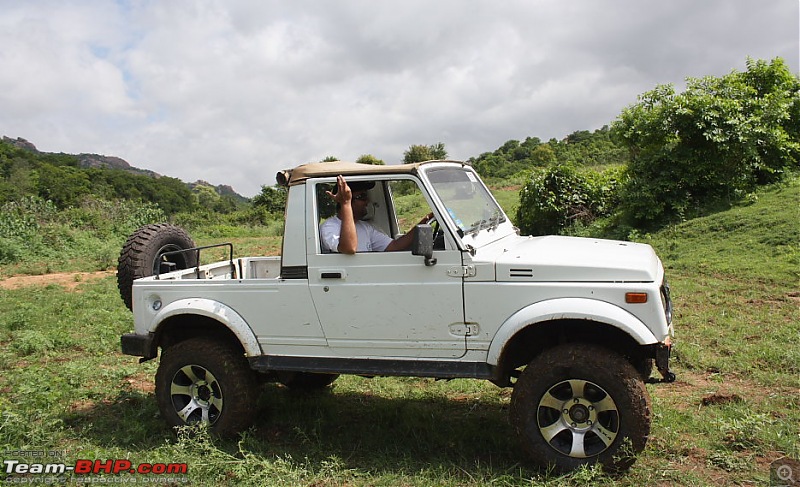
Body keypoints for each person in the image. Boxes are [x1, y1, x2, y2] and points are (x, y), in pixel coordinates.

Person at [320, 175, 432, 254]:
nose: (367, 201)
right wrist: (345, 203)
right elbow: (349, 249)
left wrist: (425, 221)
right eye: (362, 197)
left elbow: (394, 246)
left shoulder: (365, 227)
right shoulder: (330, 227)